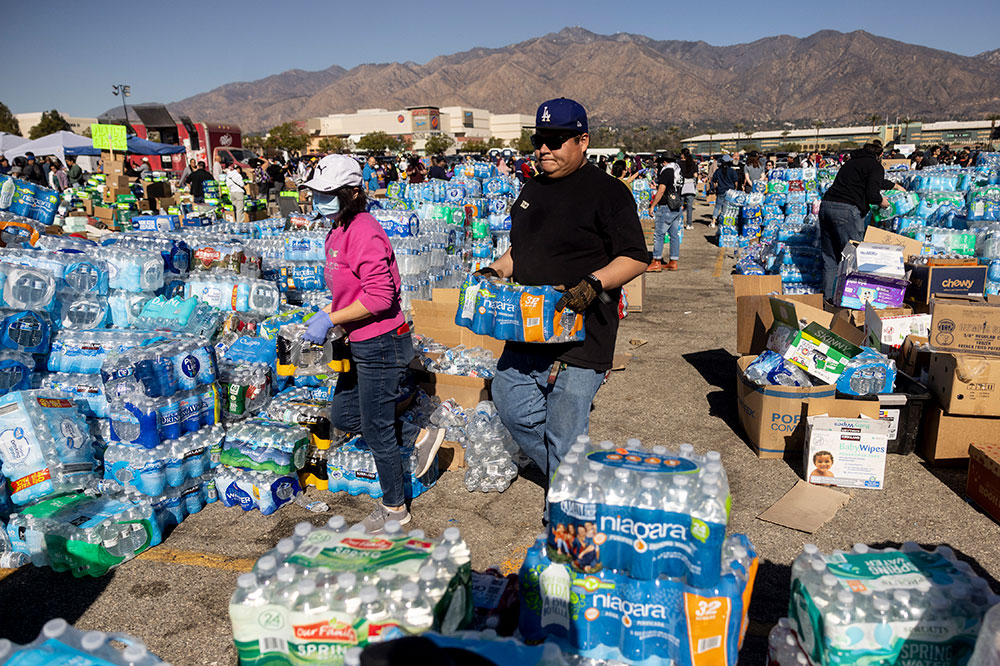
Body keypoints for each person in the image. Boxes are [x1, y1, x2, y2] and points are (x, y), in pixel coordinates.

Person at [480, 97, 648, 482]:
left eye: (556, 140)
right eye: (540, 140)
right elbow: (520, 250)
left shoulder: (608, 192)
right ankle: (574, 478)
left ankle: (567, 510)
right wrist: (495, 269)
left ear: (582, 141)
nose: (544, 149)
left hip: (583, 332)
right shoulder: (532, 189)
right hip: (527, 326)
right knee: (511, 406)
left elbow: (636, 256)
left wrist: (593, 284)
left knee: (565, 430)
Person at [300, 154, 445, 533]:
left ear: (352, 192)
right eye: (316, 192)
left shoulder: (363, 230)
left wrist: (332, 318)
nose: (319, 199)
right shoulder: (337, 229)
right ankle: (420, 436)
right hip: (360, 341)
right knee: (347, 417)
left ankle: (395, 510)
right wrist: (334, 319)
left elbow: (380, 297)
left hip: (382, 342)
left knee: (378, 430)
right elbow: (352, 288)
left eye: (327, 193)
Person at [818, 140, 905, 300]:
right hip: (847, 210)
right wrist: (882, 202)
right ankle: (851, 298)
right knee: (853, 257)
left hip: (826, 206)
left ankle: (827, 299)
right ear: (879, 155)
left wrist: (893, 186)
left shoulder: (851, 163)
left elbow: (870, 181)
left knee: (830, 257)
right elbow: (872, 194)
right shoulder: (875, 166)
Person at [648, 153, 683, 272]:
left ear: (664, 162)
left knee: (659, 234)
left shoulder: (666, 171)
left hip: (665, 206)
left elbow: (662, 190)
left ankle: (656, 260)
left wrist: (652, 205)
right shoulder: (678, 171)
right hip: (676, 206)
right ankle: (673, 261)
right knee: (674, 235)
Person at [710, 155, 739, 228]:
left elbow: (713, 180)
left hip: (720, 190)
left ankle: (713, 222)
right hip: (730, 192)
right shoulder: (732, 171)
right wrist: (735, 189)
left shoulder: (718, 171)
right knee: (727, 208)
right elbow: (735, 181)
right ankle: (724, 221)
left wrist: (714, 187)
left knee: (717, 206)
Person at [678, 148, 698, 230]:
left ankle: (679, 222)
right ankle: (689, 224)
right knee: (689, 207)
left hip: (682, 185)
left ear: (682, 154)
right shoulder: (692, 163)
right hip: (690, 186)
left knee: (680, 206)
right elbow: (696, 175)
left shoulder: (678, 164)